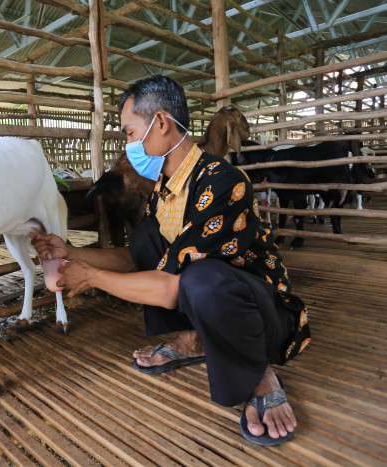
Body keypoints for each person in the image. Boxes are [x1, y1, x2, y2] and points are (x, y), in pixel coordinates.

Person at [31, 75, 310, 446]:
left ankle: (258, 372)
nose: (129, 145)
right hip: (215, 306)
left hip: (263, 318)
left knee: (203, 278)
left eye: (130, 133)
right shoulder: (165, 188)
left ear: (161, 123)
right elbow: (136, 257)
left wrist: (92, 277)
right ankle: (195, 338)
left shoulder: (224, 181)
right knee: (149, 237)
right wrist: (72, 253)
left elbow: (169, 289)